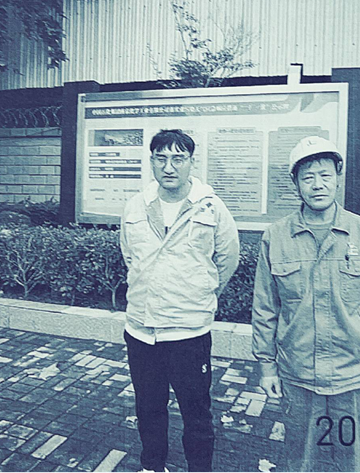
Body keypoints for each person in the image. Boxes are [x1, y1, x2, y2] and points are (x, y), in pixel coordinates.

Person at [252, 136, 360, 473]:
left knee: (353, 462)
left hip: (354, 374)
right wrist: (266, 366)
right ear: (295, 183)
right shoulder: (275, 237)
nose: (317, 185)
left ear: (338, 177)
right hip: (297, 373)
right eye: (307, 177)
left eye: (325, 175)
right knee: (298, 462)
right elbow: (265, 308)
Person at [120, 129, 240, 473]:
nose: (169, 167)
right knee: (148, 407)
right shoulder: (136, 205)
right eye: (161, 158)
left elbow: (227, 258)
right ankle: (152, 465)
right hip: (141, 332)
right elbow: (130, 255)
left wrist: (200, 293)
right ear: (152, 162)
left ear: (191, 162)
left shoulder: (211, 206)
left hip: (189, 333)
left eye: (178, 158)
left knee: (196, 412)